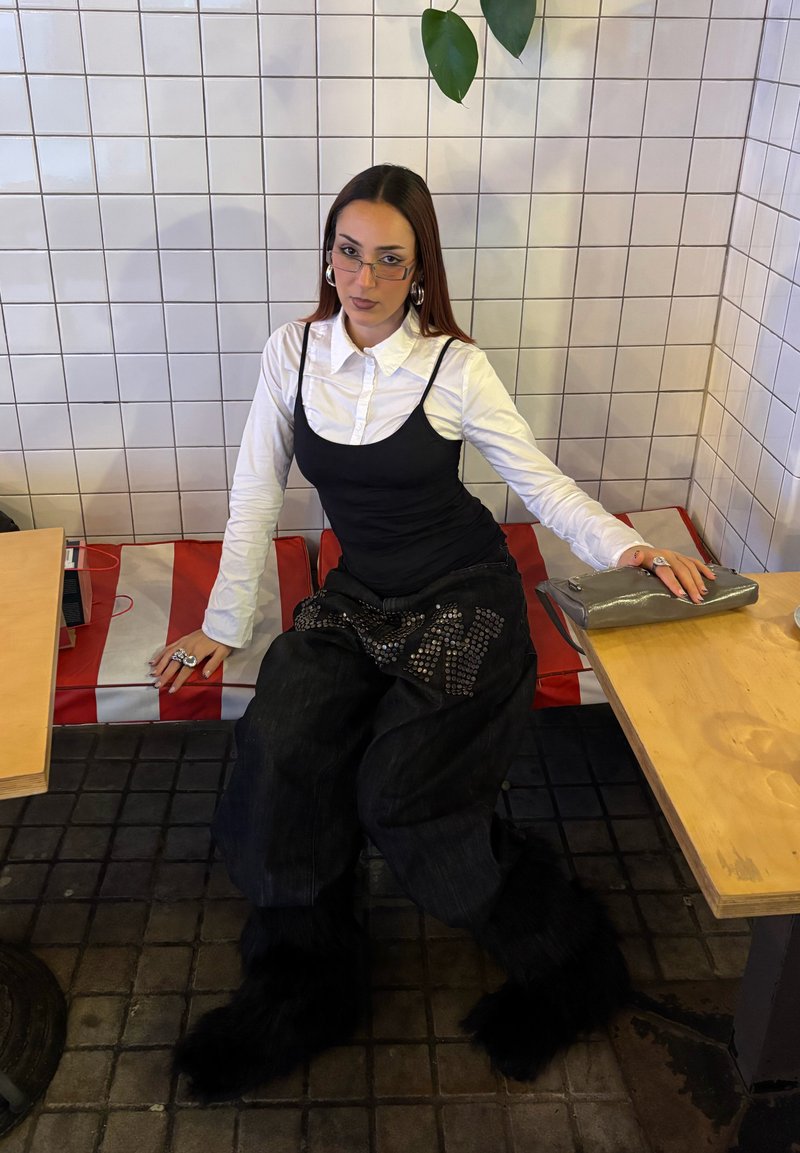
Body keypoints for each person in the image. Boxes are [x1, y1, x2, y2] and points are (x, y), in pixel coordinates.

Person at [151, 164, 713, 1100]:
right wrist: (223, 623)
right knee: (280, 744)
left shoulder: (454, 365)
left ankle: (572, 965)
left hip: (463, 597)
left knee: (402, 795)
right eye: (348, 252)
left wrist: (633, 551)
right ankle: (303, 983)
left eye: (389, 260)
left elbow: (537, 482)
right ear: (328, 255)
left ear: (419, 273)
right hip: (361, 597)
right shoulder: (291, 352)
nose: (362, 278)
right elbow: (256, 489)